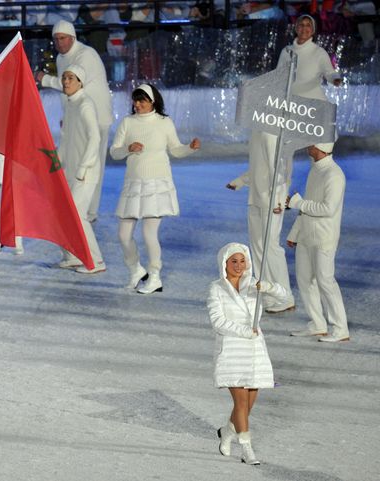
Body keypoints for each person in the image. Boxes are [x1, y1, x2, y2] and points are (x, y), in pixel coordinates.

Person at [226, 14, 341, 314]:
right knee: (260, 247)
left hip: (272, 194)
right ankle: (270, 293)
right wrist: (240, 181)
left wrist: (280, 199)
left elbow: (279, 167)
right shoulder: (260, 128)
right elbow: (260, 165)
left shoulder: (278, 131)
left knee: (270, 246)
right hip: (258, 194)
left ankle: (282, 295)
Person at [109, 84, 200, 292]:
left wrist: (190, 148)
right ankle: (135, 270)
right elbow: (114, 152)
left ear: (153, 101)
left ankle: (155, 275)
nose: (137, 104)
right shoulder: (128, 122)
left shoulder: (164, 122)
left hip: (157, 184)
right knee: (123, 235)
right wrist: (127, 149)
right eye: (135, 100)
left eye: (142, 100)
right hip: (133, 184)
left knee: (150, 234)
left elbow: (176, 150)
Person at [208, 243, 286, 465]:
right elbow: (218, 321)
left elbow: (284, 297)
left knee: (248, 405)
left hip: (254, 352)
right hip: (232, 350)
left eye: (242, 261)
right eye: (234, 261)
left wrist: (269, 287)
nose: (239, 266)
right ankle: (246, 448)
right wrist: (244, 331)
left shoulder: (254, 286)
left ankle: (227, 432)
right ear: (225, 263)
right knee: (241, 403)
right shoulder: (216, 289)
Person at [35, 20, 113, 224]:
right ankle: (78, 207)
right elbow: (69, 93)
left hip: (97, 117)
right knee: (73, 161)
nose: (60, 43)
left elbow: (74, 84)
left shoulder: (86, 55)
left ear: (73, 38)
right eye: (56, 39)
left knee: (93, 165)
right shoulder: (62, 58)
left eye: (63, 38)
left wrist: (44, 79)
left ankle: (90, 212)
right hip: (77, 116)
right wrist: (67, 117)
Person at [286, 142, 349, 342]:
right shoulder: (316, 170)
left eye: (312, 144)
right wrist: (295, 232)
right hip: (306, 236)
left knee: (325, 281)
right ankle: (317, 324)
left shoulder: (334, 175)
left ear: (321, 148)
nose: (308, 146)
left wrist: (297, 203)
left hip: (324, 238)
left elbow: (328, 209)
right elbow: (309, 205)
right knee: (305, 280)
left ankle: (341, 329)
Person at [55, 65, 105, 274]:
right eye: (64, 78)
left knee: (77, 214)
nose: (66, 81)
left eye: (71, 78)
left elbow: (95, 137)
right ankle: (73, 255)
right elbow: (66, 141)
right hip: (71, 171)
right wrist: (55, 165)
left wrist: (85, 166)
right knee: (64, 213)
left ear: (80, 82)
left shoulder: (85, 104)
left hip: (86, 172)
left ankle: (96, 261)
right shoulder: (70, 105)